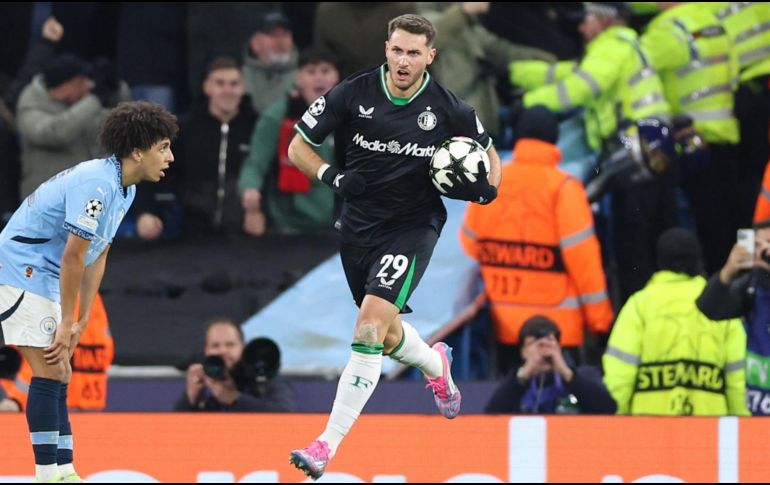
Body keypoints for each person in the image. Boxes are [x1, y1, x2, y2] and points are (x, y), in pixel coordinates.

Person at [287, 14, 502, 479]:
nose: (404, 61)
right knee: (383, 334)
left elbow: (488, 153)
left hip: (413, 227)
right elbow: (298, 146)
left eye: (414, 53)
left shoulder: (450, 109)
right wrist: (334, 176)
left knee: (367, 328)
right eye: (397, 50)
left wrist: (488, 188)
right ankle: (434, 363)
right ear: (386, 49)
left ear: (431, 56)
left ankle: (326, 444)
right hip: (357, 226)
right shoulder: (353, 92)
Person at [0, 101, 178, 483]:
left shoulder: (123, 189)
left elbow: (99, 252)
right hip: (20, 268)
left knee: (61, 369)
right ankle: (47, 474)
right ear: (137, 151)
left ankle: (63, 469)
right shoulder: (96, 183)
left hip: (43, 273)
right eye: (163, 147)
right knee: (49, 367)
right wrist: (66, 321)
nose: (170, 157)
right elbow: (73, 255)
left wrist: (81, 318)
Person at [460, 106, 613, 374]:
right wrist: (599, 322)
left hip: (503, 328)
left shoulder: (492, 181)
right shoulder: (564, 188)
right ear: (554, 140)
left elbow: (469, 249)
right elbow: (584, 261)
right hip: (556, 334)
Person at [604, 228, 749, 416]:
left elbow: (619, 376)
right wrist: (745, 424)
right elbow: (738, 377)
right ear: (698, 261)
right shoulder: (718, 305)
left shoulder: (640, 304)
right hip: (710, 430)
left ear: (660, 262)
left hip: (647, 431)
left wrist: (612, 420)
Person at [239, 48, 340, 236]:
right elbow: (255, 163)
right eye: (311, 72)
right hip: (289, 226)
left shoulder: (355, 115)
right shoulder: (276, 116)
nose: (319, 78)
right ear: (298, 78)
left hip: (340, 225)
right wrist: (250, 189)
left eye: (325, 71)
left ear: (336, 77)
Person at [697, 221, 770, 415]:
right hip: (758, 408)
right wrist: (727, 272)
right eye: (757, 245)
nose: (763, 251)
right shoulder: (751, 287)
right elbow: (709, 308)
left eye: (769, 243)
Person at [484, 315, 616, 414]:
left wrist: (566, 373)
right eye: (534, 344)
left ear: (559, 347)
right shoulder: (514, 383)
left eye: (549, 342)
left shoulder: (583, 376)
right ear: (523, 351)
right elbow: (491, 415)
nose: (543, 350)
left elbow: (608, 409)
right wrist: (524, 375)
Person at [174, 318, 296, 412]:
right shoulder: (201, 382)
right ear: (206, 350)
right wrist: (190, 398)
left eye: (230, 344)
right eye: (215, 345)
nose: (223, 351)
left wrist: (234, 399)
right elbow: (173, 433)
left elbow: (286, 415)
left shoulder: (262, 377)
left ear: (242, 347)